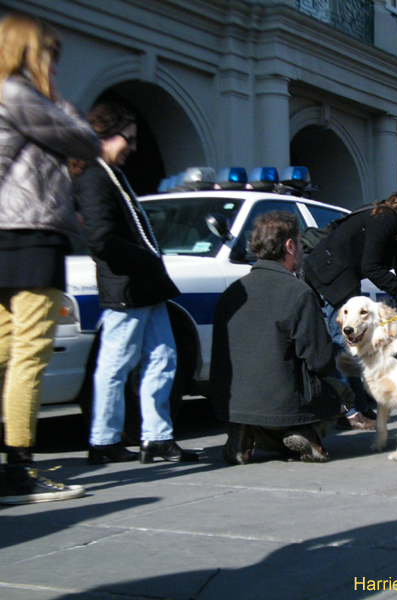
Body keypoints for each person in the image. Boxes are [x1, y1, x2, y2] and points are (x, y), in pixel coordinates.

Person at [0, 14, 101, 504]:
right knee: (30, 351)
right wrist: (57, 98)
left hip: (7, 236)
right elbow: (86, 140)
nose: (54, 70)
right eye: (51, 59)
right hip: (30, 236)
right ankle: (18, 470)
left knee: (2, 350)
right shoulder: (21, 95)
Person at [74, 101, 198, 464]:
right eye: (127, 138)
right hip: (128, 287)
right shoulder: (95, 177)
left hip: (146, 288)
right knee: (117, 364)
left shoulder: (111, 174)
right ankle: (103, 440)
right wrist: (148, 259)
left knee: (163, 357)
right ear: (105, 136)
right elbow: (101, 239)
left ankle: (156, 438)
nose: (132, 146)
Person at [303, 180, 397, 430]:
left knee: (354, 345)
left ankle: (361, 407)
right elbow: (371, 267)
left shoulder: (395, 220)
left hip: (340, 277)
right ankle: (351, 411)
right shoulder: (386, 219)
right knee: (345, 344)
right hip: (330, 278)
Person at [211, 212, 345, 464]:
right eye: (299, 243)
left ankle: (246, 430)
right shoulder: (299, 293)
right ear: (290, 246)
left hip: (233, 403)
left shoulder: (231, 292)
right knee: (341, 390)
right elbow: (319, 360)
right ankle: (304, 431)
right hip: (284, 403)